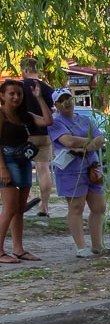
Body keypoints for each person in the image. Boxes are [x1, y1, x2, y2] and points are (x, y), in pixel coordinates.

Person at [0, 78, 53, 263]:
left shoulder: (24, 115)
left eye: (19, 94)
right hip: (6, 162)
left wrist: (39, 98)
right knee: (9, 208)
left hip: (23, 161)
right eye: (11, 94)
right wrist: (2, 169)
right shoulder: (1, 114)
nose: (16, 97)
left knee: (20, 209)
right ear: (2, 96)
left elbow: (47, 121)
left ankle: (18, 249)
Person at [48, 89, 105, 258]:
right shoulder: (55, 123)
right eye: (62, 100)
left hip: (91, 166)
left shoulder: (85, 119)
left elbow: (100, 139)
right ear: (56, 105)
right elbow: (67, 141)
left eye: (68, 98)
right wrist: (89, 142)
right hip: (71, 170)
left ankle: (97, 245)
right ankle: (81, 247)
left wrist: (83, 145)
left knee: (99, 206)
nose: (66, 102)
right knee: (76, 206)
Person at [20, 57, 55, 216]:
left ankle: (30, 197)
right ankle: (44, 207)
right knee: (43, 169)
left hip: (25, 135)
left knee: (20, 167)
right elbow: (53, 110)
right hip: (45, 134)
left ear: (25, 70)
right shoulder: (47, 88)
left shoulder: (20, 87)